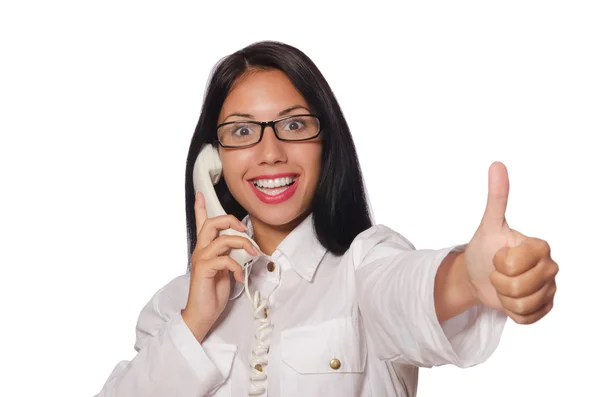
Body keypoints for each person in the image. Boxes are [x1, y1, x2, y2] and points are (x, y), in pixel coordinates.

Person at [94, 41, 559, 397]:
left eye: (294, 125)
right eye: (242, 131)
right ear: (212, 159)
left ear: (326, 141)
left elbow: (405, 292)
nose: (270, 152)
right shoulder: (173, 306)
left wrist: (468, 280)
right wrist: (195, 321)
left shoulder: (366, 264)